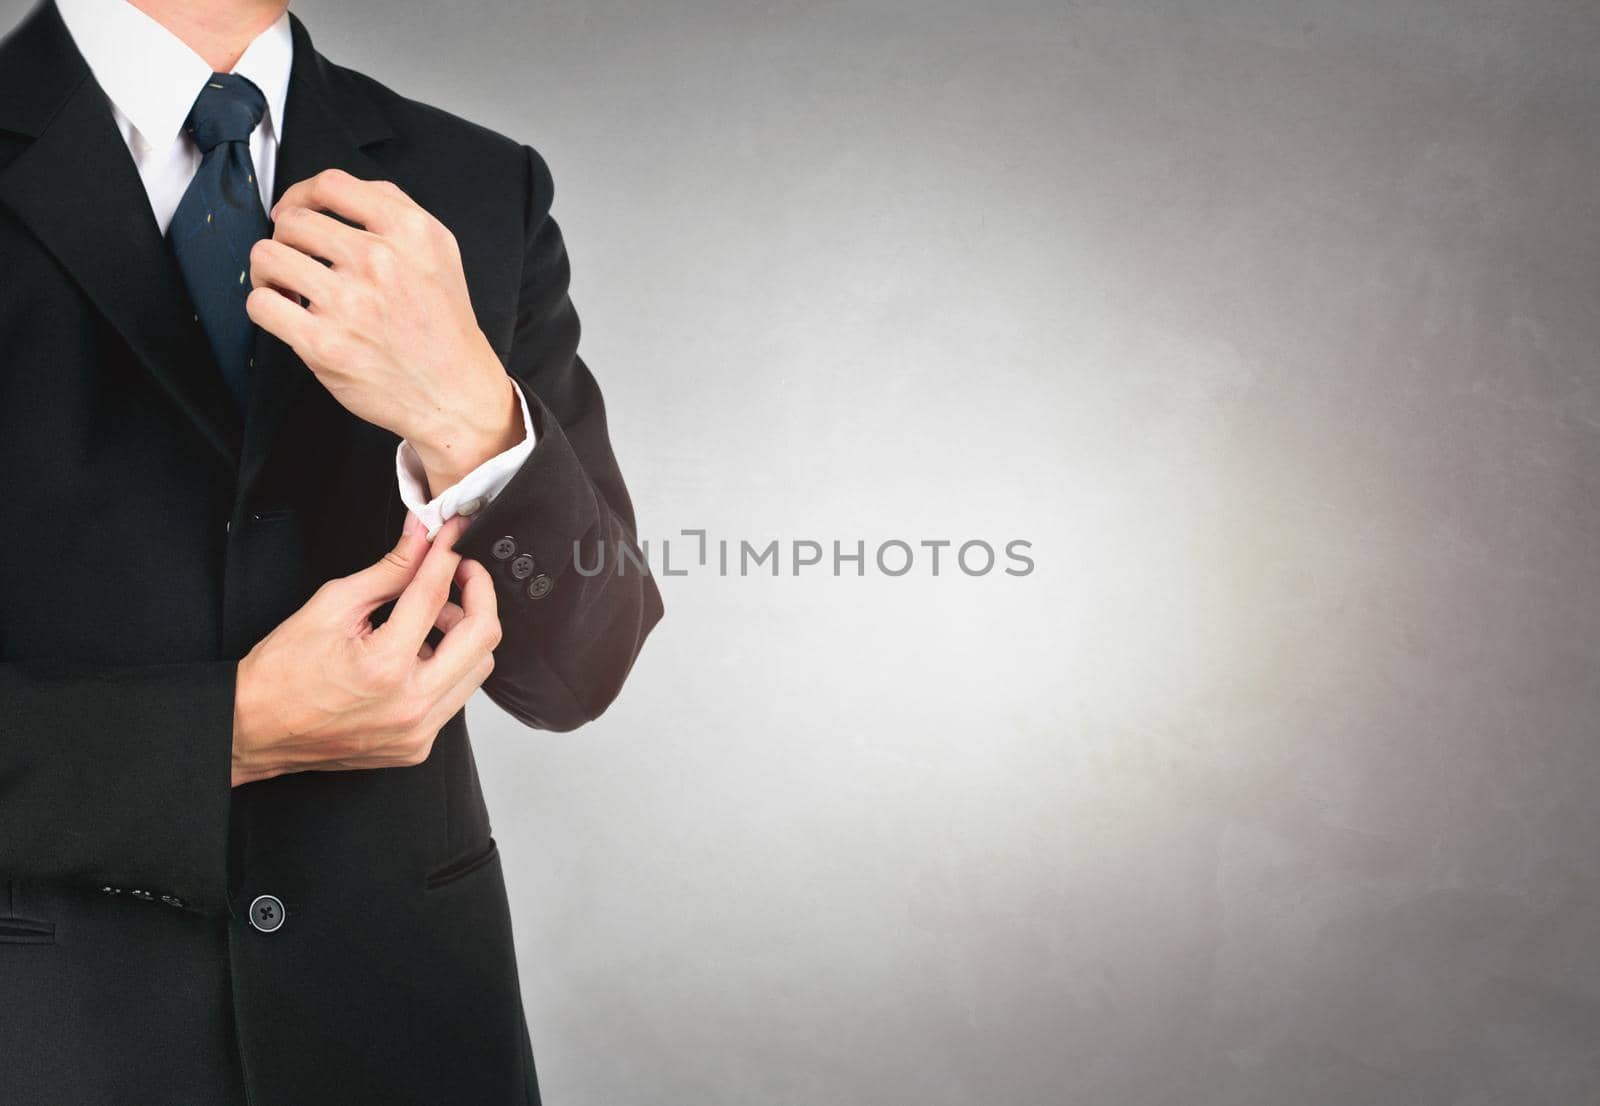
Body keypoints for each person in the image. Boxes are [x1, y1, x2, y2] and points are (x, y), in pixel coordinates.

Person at [0, 0, 663, 1101]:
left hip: (414, 1042)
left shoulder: (481, 183)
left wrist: (471, 419)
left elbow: (579, 666)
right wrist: (228, 731)